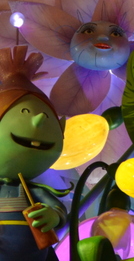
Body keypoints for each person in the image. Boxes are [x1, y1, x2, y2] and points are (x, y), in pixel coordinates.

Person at [0, 46, 69, 261]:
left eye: (47, 117)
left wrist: (53, 216)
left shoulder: (33, 192)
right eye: (24, 112)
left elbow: (58, 211)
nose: (38, 120)